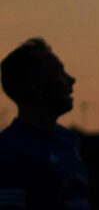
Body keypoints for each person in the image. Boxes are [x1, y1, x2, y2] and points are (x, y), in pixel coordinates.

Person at [0, 37, 90, 209]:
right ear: (37, 86)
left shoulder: (70, 141)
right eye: (60, 73)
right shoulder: (8, 151)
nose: (71, 80)